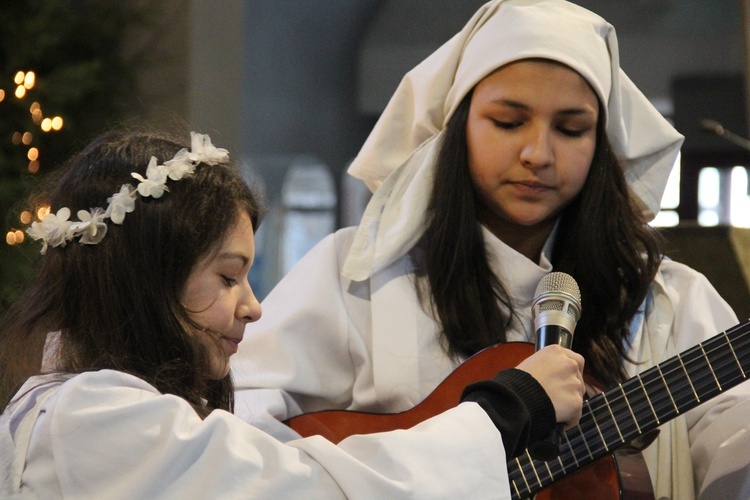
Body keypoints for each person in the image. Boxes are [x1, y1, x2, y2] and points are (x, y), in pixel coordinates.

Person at [231, 0, 750, 498]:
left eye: (571, 130)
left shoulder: (669, 301)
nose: (537, 154)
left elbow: (733, 445)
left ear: (602, 145)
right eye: (507, 121)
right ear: (457, 131)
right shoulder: (356, 275)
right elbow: (242, 424)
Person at [0, 129, 586, 499]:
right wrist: (507, 408)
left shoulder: (93, 407)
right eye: (228, 277)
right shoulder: (92, 415)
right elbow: (312, 489)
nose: (254, 307)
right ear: (146, 281)